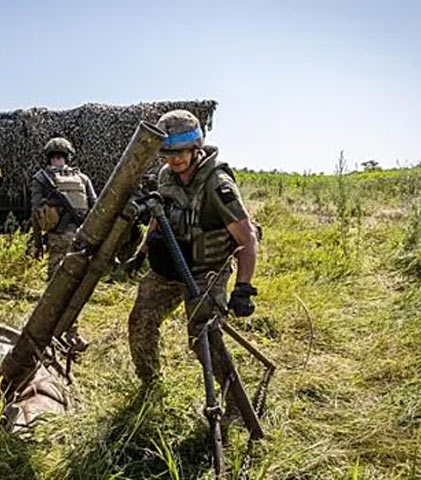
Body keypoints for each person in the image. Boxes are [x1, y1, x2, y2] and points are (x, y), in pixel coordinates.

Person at [124, 110, 259, 425]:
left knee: (204, 338)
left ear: (196, 147)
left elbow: (247, 237)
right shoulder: (165, 177)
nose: (174, 160)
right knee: (140, 321)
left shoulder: (217, 183)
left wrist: (243, 288)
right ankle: (151, 385)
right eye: (167, 154)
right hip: (170, 266)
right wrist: (142, 252)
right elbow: (159, 217)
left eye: (180, 152)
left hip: (206, 270)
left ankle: (237, 407)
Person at [31, 136, 97, 350]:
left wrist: (37, 242)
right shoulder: (82, 178)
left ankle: (52, 335)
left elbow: (36, 213)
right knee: (75, 288)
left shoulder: (41, 178)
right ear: (68, 155)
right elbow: (96, 208)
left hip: (58, 240)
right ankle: (71, 334)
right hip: (81, 239)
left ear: (48, 156)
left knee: (55, 289)